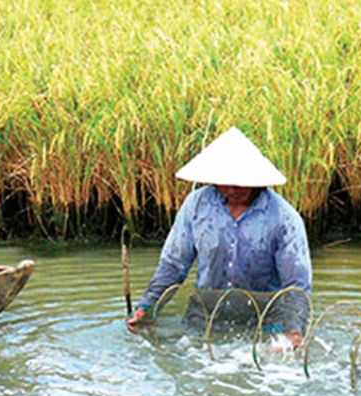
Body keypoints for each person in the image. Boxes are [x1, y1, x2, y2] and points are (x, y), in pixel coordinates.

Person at [125, 127, 312, 349]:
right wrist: (147, 307)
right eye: (226, 182)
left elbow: (296, 284)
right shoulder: (196, 206)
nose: (233, 189)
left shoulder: (284, 217)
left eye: (241, 182)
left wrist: (293, 332)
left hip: (264, 320)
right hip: (206, 315)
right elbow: (174, 265)